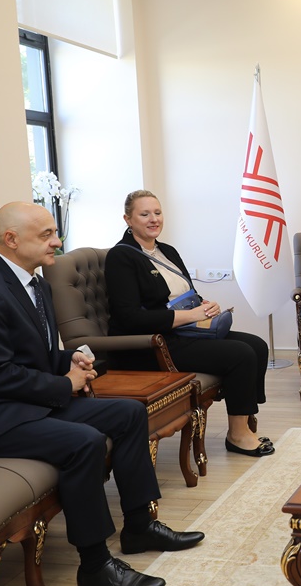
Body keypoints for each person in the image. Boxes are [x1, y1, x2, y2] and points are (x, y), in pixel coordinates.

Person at [0, 202, 204, 586]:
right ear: (11, 240)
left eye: (55, 232)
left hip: (21, 402)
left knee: (130, 413)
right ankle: (95, 567)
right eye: (46, 234)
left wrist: (70, 359)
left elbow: (34, 358)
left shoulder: (37, 284)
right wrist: (65, 384)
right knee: (83, 442)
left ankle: (139, 526)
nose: (57, 241)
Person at [105, 190, 272, 458]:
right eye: (144, 214)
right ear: (128, 219)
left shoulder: (167, 251)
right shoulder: (120, 257)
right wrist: (192, 316)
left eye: (157, 212)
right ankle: (238, 435)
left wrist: (205, 305)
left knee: (257, 345)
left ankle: (245, 423)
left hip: (185, 331)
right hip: (155, 344)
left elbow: (187, 295)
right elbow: (130, 318)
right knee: (241, 354)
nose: (153, 219)